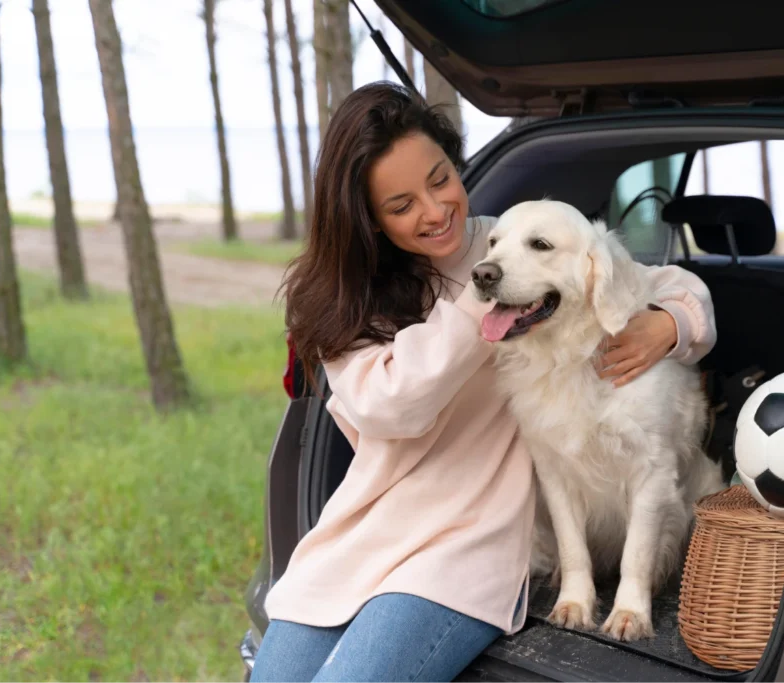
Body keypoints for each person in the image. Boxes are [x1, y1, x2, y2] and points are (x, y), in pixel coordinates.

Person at [250, 82, 716, 683]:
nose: (436, 210)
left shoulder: (509, 240)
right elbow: (394, 406)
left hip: (470, 545)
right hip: (370, 527)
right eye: (401, 205)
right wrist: (486, 294)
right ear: (367, 220)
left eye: (440, 179)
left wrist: (669, 322)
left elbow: (660, 280)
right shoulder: (351, 302)